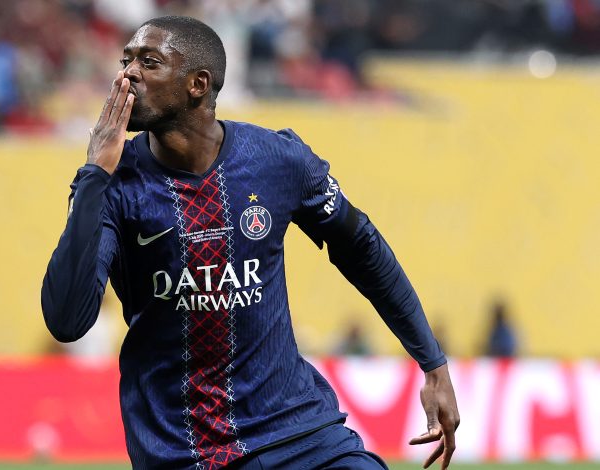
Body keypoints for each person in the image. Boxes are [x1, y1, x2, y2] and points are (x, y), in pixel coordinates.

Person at [41, 16, 459, 470]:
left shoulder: (276, 160)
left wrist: (432, 364)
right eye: (126, 61)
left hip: (298, 434)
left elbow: (362, 250)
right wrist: (95, 174)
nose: (128, 74)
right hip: (183, 452)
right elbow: (67, 321)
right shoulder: (113, 187)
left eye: (149, 62)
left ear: (197, 84)